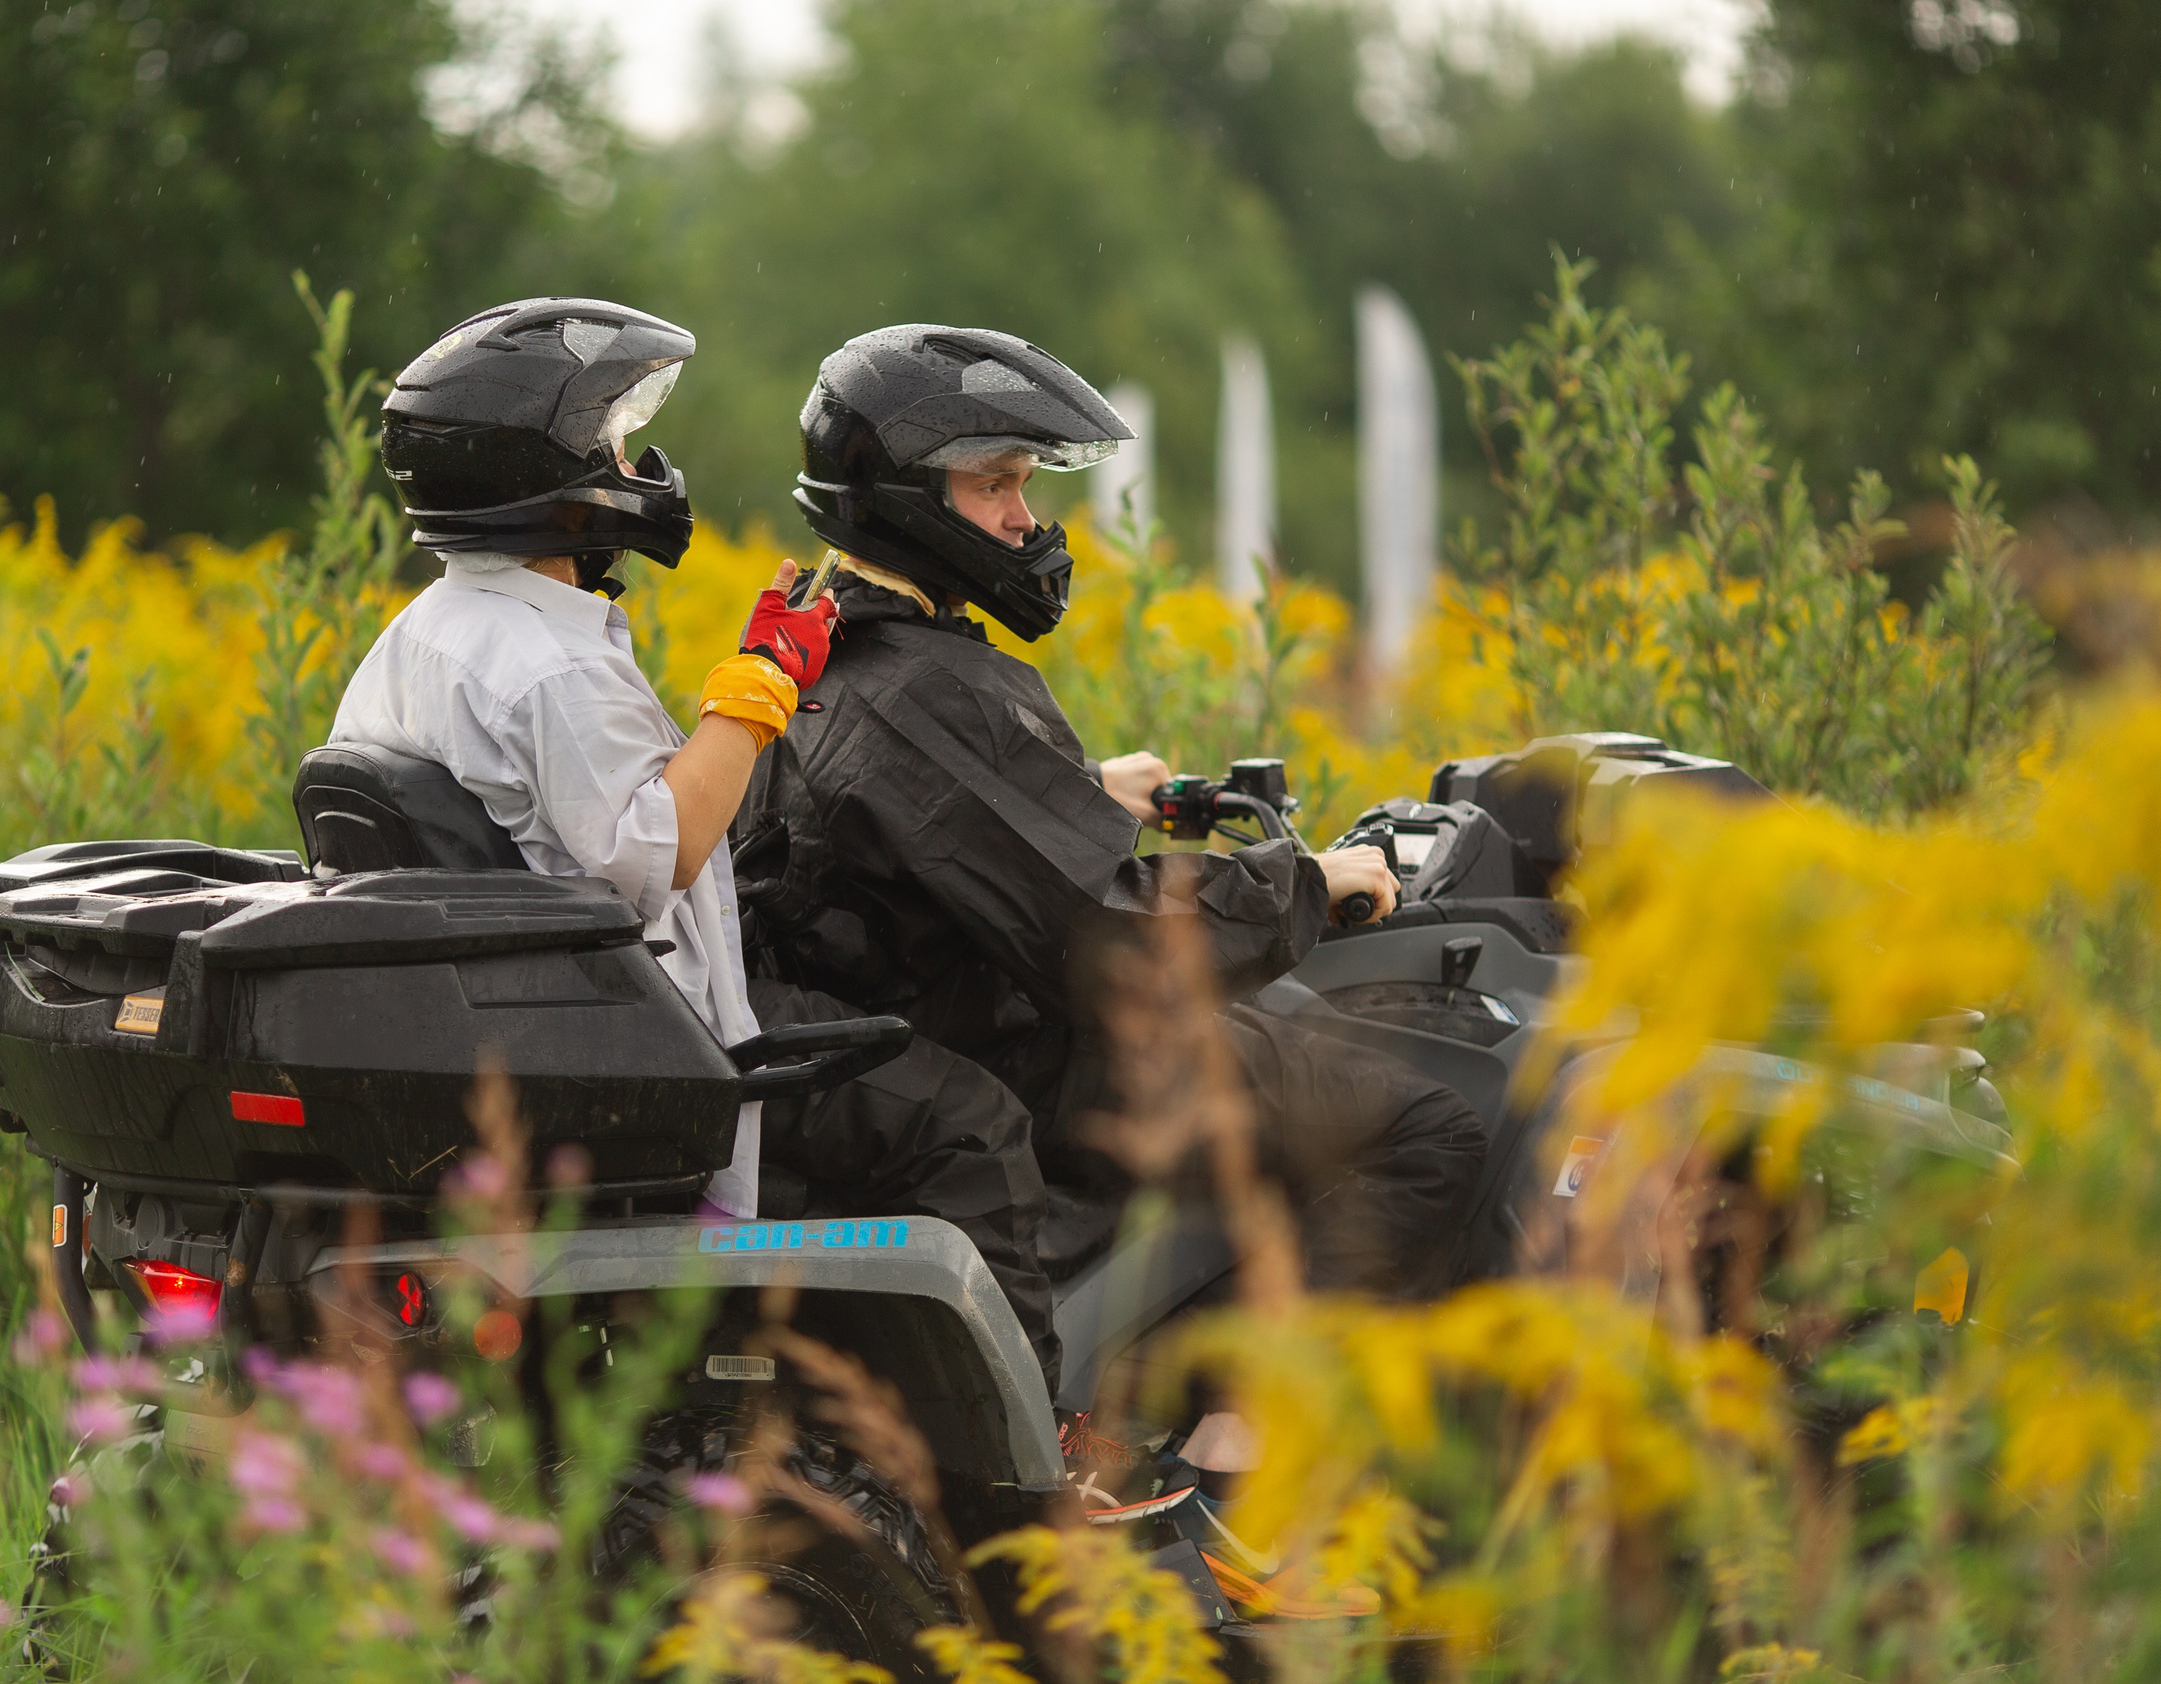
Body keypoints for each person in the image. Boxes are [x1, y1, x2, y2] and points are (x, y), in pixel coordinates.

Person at [329, 298, 1062, 1389]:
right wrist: (758, 688)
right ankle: (1026, 1444)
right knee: (968, 1123)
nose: (640, 467)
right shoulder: (548, 665)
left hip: (525, 1017)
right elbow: (651, 854)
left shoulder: (430, 630)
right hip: (647, 1031)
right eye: (619, 444)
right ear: (551, 471)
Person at [735, 324, 1488, 1299]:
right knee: (1429, 1131)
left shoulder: (820, 638)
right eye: (994, 485)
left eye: (1024, 484)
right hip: (1013, 1044)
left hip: (916, 1018)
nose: (1024, 519)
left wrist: (1080, 786)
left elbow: (921, 818)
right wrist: (1305, 881)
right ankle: (1267, 1393)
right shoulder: (939, 691)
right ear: (907, 495)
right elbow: (1116, 940)